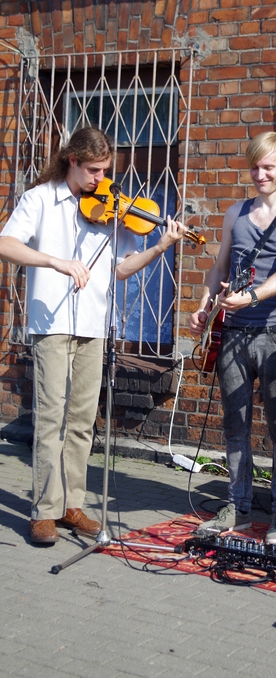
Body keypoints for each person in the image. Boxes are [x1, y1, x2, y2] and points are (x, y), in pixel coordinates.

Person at [0, 127, 185, 545]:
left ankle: (72, 505)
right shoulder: (40, 199)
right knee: (51, 417)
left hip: (94, 323)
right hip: (51, 324)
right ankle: (44, 511)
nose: (102, 179)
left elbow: (120, 268)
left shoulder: (108, 206)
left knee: (83, 420)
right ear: (72, 161)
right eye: (94, 171)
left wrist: (160, 246)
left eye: (105, 170)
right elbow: (6, 244)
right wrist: (56, 262)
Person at [189, 131, 276, 544]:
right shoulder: (235, 212)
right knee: (235, 425)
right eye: (255, 167)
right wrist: (205, 305)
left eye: (269, 167)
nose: (261, 174)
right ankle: (238, 507)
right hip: (233, 333)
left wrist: (253, 297)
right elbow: (219, 266)